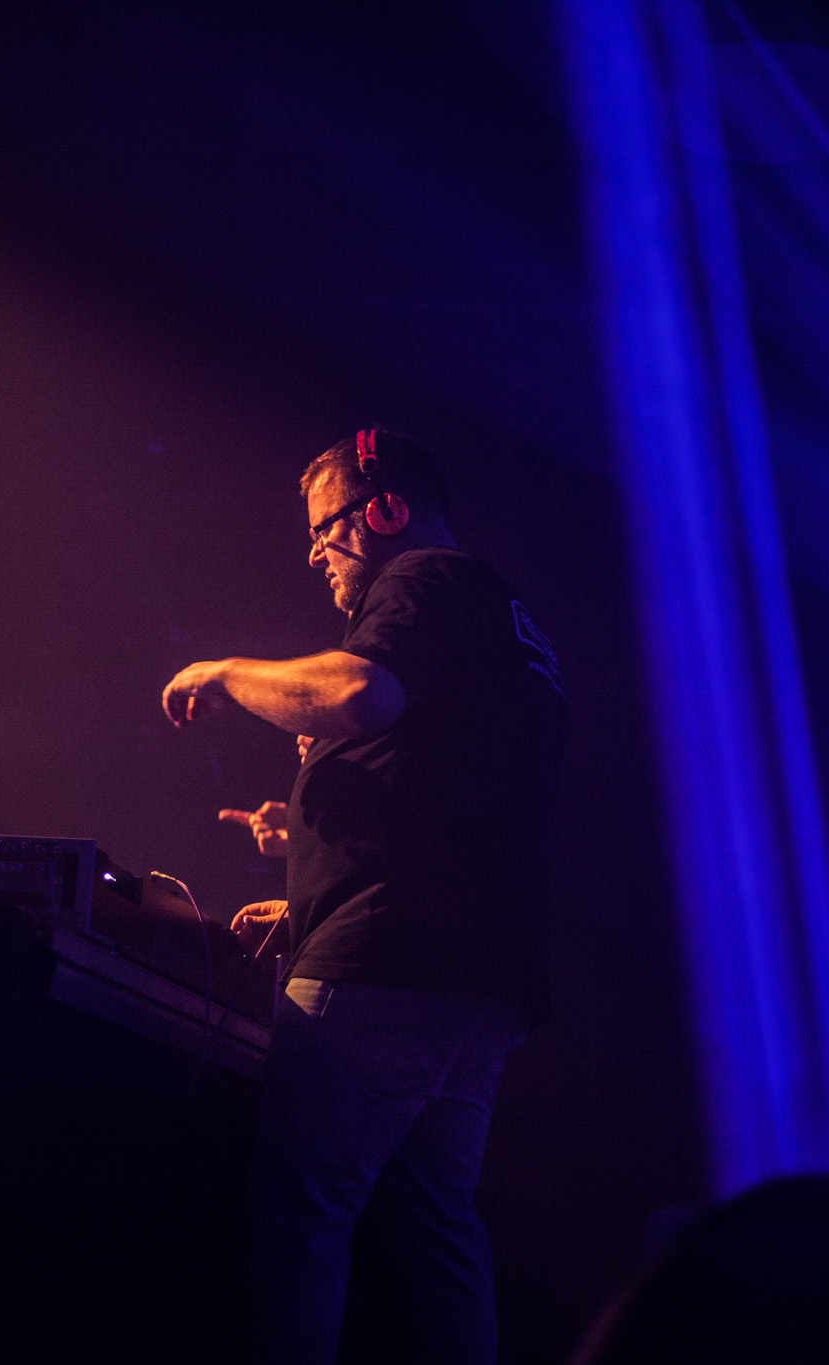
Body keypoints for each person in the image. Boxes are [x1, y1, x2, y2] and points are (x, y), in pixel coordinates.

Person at [161, 429, 566, 1365]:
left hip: (386, 968)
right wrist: (308, 860)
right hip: (479, 982)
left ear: (384, 509)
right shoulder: (509, 623)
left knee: (299, 1219)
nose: (315, 553)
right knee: (437, 1237)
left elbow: (358, 693)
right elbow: (451, 797)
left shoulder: (423, 577)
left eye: (326, 527)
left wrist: (225, 674)